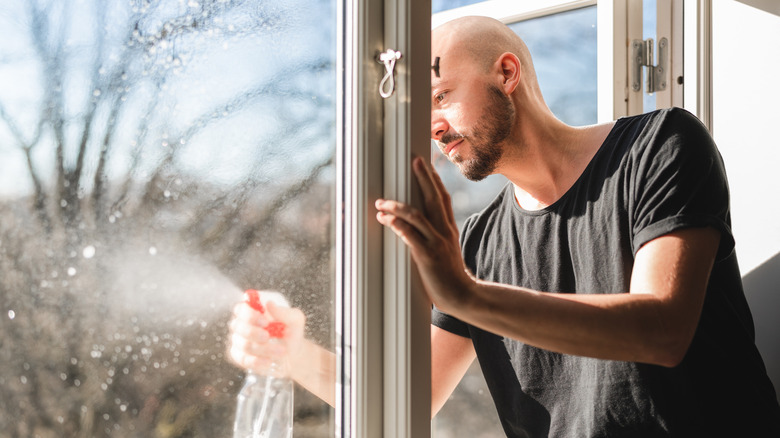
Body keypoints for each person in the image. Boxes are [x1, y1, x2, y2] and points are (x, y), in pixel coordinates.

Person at [229, 16, 780, 436]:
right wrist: (292, 352)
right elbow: (406, 403)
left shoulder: (659, 144)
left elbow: (661, 331)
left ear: (506, 72)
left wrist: (467, 295)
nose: (432, 127)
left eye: (441, 96)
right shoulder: (477, 243)